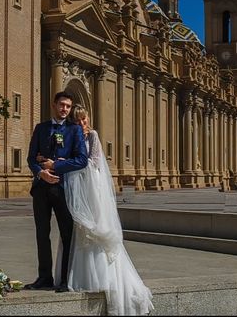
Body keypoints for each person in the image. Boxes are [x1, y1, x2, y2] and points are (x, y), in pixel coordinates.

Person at [39, 105, 154, 315]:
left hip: (91, 190)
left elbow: (92, 162)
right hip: (75, 190)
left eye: (84, 119)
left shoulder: (92, 136)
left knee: (92, 230)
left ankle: (99, 279)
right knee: (75, 231)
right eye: (78, 120)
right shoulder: (71, 136)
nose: (82, 123)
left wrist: (63, 163)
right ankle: (74, 277)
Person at [25, 91, 89, 293]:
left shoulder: (74, 130)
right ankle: (44, 277)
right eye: (62, 105)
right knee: (42, 234)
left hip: (63, 189)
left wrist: (57, 166)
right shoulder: (41, 128)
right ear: (54, 105)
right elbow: (30, 159)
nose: (64, 109)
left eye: (68, 106)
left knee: (67, 234)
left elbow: (82, 160)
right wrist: (40, 172)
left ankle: (65, 280)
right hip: (41, 188)